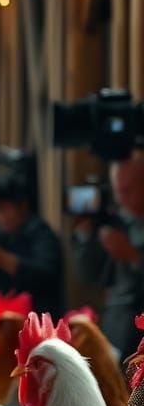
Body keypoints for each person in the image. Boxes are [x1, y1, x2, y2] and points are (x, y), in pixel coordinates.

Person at [72, 153, 144, 358]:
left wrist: (134, 258)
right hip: (116, 330)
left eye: (128, 191)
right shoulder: (117, 223)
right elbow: (89, 276)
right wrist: (86, 236)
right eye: (117, 192)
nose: (121, 199)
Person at [0, 173, 63, 316]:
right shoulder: (4, 236)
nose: (1, 216)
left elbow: (45, 275)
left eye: (5, 209)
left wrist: (3, 259)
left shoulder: (40, 233)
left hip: (40, 319)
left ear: (22, 206)